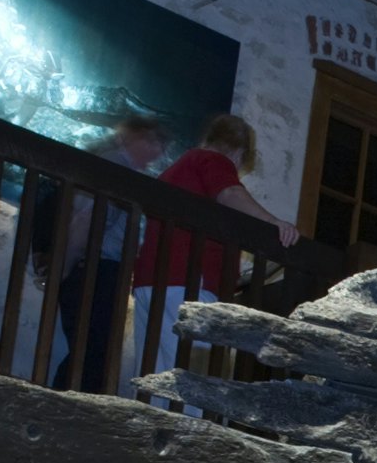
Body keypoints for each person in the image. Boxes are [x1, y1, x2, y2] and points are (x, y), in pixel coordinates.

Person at [124, 113, 294, 389]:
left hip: (152, 281)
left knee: (154, 375)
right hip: (186, 284)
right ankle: (186, 432)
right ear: (239, 152)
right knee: (194, 379)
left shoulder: (174, 171)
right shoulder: (211, 160)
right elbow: (230, 194)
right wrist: (274, 223)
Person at [49, 107, 165, 391]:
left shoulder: (110, 163)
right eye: (154, 141)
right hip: (97, 270)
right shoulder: (117, 166)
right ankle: (66, 415)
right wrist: (65, 265)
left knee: (90, 352)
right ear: (135, 137)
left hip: (95, 268)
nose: (158, 151)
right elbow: (89, 220)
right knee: (92, 354)